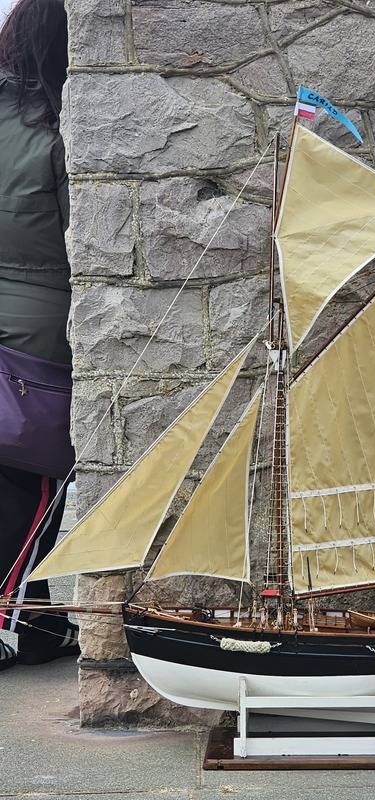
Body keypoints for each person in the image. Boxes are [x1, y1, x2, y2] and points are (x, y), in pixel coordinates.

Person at [0, 0, 78, 670]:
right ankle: (13, 619)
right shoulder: (56, 128)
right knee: (34, 481)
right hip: (38, 325)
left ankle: (43, 625)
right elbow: (83, 237)